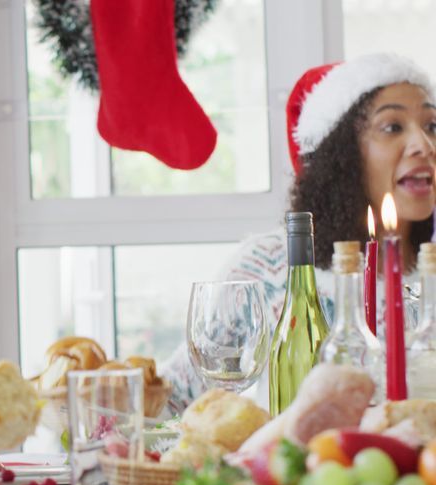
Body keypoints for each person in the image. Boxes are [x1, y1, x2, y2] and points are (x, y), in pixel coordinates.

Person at [161, 52, 436, 413]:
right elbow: (172, 397)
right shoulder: (272, 267)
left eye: (432, 125)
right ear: (341, 154)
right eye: (393, 127)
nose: (424, 145)